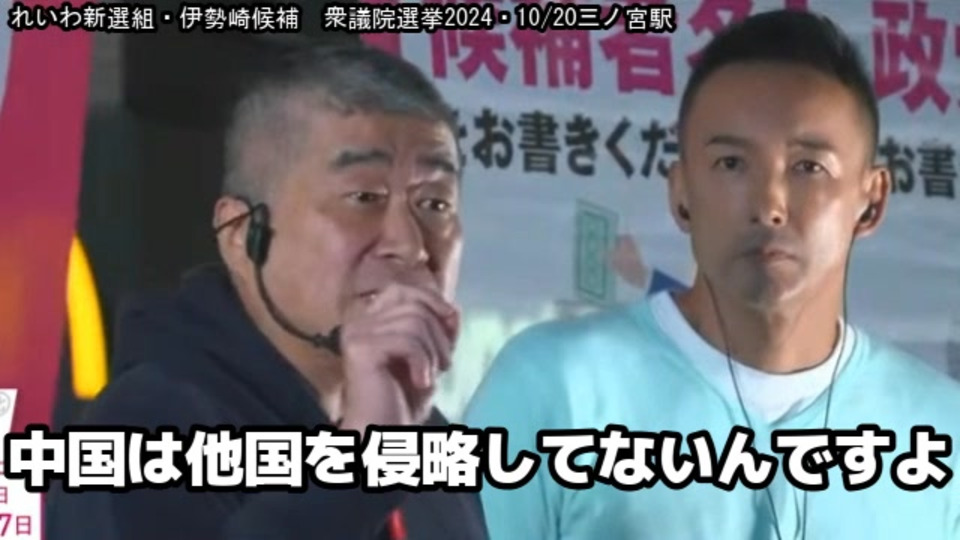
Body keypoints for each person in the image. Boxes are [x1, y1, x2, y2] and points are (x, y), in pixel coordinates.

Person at [464, 9, 960, 540]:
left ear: (871, 201)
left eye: (808, 167)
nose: (769, 206)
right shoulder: (552, 386)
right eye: (731, 164)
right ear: (681, 194)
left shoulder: (938, 429)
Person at [46, 44, 488, 540]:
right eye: (364, 197)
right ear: (242, 234)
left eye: (435, 203)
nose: (409, 245)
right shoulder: (145, 432)